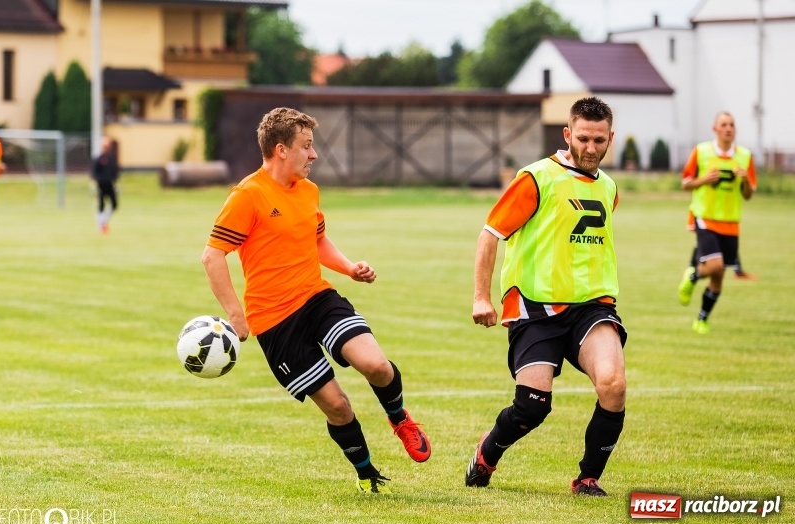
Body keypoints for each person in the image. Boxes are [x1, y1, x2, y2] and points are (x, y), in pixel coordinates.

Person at [201, 107, 431, 495]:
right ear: (280, 150)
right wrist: (236, 316)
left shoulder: (309, 191)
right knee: (338, 406)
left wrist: (348, 267)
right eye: (306, 146)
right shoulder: (248, 196)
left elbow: (317, 239)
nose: (314, 154)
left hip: (317, 297)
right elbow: (212, 256)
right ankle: (367, 474)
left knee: (375, 365)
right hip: (275, 322)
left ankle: (400, 419)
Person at [466, 97, 627, 497]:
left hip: (591, 306)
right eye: (584, 139)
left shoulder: (608, 187)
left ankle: (588, 478)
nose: (591, 148)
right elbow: (490, 234)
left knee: (613, 385)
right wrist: (481, 297)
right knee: (532, 408)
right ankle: (487, 453)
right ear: (568, 134)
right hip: (535, 310)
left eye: (600, 140)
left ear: (611, 139)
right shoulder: (536, 177)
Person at [677, 112, 756, 334]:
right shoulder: (701, 152)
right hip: (704, 217)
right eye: (724, 124)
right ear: (715, 129)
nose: (728, 128)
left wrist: (745, 181)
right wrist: (704, 180)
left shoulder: (745, 156)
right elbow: (685, 183)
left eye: (732, 124)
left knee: (719, 275)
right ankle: (692, 275)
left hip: (731, 222)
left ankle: (702, 318)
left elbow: (748, 195)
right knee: (715, 266)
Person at [91, 136, 119, 234]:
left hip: (110, 184)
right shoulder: (99, 158)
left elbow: (115, 171)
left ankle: (104, 220)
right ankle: (100, 225)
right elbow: (94, 172)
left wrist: (116, 181)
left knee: (114, 205)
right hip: (101, 184)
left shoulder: (112, 158)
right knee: (101, 205)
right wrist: (96, 181)